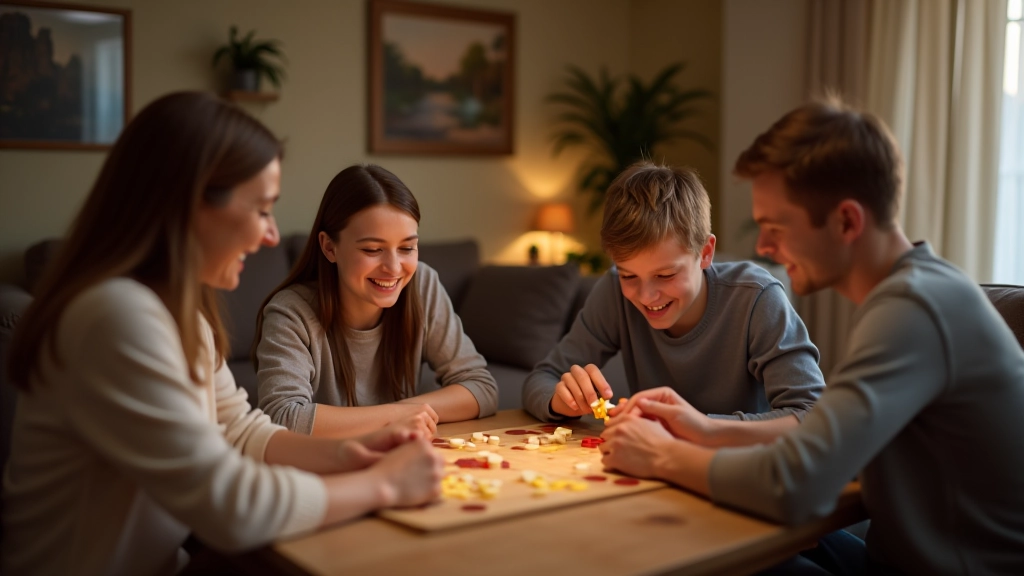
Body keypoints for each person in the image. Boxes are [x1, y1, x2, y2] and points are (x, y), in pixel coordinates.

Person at [1, 92, 444, 576]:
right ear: (191, 206)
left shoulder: (178, 312)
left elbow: (238, 430)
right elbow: (231, 507)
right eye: (261, 209)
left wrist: (349, 454)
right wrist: (383, 485)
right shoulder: (115, 316)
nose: (272, 234)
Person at [601, 99, 1024, 574]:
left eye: (775, 227)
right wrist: (702, 428)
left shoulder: (916, 310)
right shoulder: (914, 292)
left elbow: (795, 483)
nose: (763, 247)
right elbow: (817, 443)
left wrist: (661, 455)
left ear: (846, 220)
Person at [521, 162, 824, 435]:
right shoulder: (614, 292)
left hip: (738, 472)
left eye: (665, 275)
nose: (646, 296)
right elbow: (540, 380)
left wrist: (701, 427)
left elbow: (812, 416)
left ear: (705, 253)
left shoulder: (757, 299)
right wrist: (561, 401)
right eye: (629, 275)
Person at [254, 164, 498, 438]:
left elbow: (482, 388)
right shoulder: (291, 311)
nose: (394, 268)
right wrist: (398, 416)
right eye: (372, 249)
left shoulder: (422, 284)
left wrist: (407, 412)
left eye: (407, 248)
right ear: (329, 247)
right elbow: (283, 417)